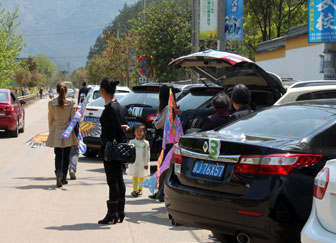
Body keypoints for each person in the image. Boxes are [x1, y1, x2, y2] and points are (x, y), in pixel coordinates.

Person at [98, 77, 130, 225]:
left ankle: (112, 213)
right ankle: (120, 211)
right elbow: (123, 126)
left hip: (111, 149)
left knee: (113, 181)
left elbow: (115, 130)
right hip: (119, 147)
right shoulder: (118, 106)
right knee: (119, 180)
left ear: (103, 91)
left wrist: (106, 150)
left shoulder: (110, 108)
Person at [46, 82, 78, 187]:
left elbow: (50, 119)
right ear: (66, 91)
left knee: (58, 154)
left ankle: (58, 173)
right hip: (68, 131)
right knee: (66, 155)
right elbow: (73, 119)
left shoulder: (52, 103)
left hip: (56, 131)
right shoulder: (71, 102)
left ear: (57, 90)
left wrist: (50, 131)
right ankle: (64, 178)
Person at [149, 85, 173, 202]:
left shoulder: (169, 107)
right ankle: (159, 190)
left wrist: (155, 123)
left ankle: (162, 192)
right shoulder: (164, 107)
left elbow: (160, 123)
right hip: (162, 139)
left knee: (164, 166)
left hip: (166, 140)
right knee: (161, 166)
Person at [126, 123, 150, 197]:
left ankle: (140, 189)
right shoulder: (132, 142)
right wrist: (127, 162)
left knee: (142, 176)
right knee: (135, 175)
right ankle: (135, 190)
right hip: (134, 162)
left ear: (144, 132)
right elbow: (128, 152)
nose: (139, 133)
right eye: (137, 131)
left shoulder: (145, 143)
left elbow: (147, 153)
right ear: (134, 132)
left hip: (142, 162)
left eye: (141, 131)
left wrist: (146, 163)